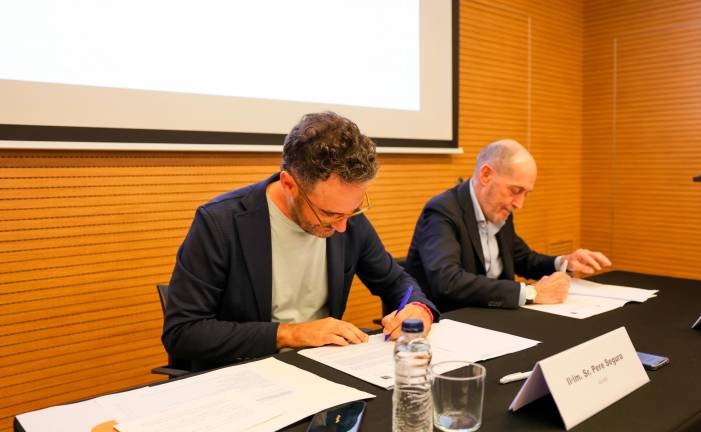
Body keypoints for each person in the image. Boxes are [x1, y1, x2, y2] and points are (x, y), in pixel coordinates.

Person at [163, 111, 438, 372]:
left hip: (322, 368)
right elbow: (184, 332)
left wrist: (417, 308)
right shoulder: (221, 223)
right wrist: (289, 334)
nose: (343, 226)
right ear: (289, 184)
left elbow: (397, 283)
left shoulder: (347, 219)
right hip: (244, 375)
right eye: (329, 213)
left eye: (352, 211)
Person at [405, 139, 611, 312]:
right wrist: (531, 293)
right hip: (454, 322)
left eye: (526, 194)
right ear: (486, 175)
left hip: (497, 319)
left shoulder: (499, 208)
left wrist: (563, 262)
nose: (519, 204)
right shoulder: (442, 211)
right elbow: (448, 282)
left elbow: (522, 258)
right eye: (515, 190)